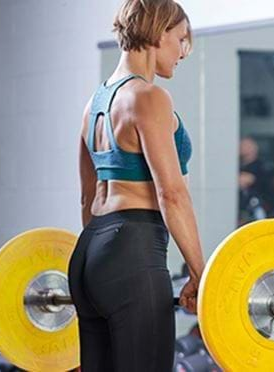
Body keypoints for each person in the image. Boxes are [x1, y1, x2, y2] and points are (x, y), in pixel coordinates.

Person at [67, 1, 204, 370]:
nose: (182, 52)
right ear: (160, 34)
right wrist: (200, 273)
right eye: (181, 40)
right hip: (133, 250)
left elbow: (86, 197)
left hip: (89, 254)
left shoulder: (93, 104)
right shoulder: (149, 97)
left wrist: (107, 264)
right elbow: (171, 194)